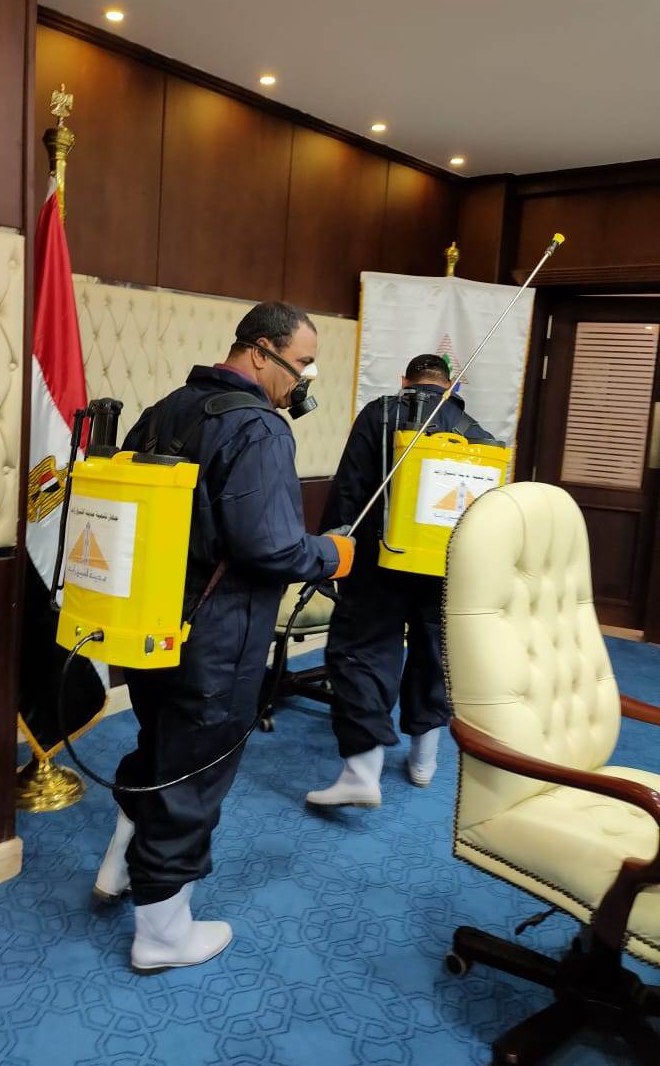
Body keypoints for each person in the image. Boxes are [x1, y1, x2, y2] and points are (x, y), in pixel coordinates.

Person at [94, 302, 355, 973]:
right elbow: (270, 547)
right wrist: (332, 554)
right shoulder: (259, 429)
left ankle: (120, 864)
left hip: (151, 627)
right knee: (194, 775)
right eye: (301, 365)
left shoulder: (167, 409)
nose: (304, 381)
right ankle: (161, 934)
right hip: (218, 638)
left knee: (160, 746)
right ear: (261, 351)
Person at [306, 353, 494, 807]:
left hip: (377, 563)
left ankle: (361, 773)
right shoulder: (477, 434)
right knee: (434, 655)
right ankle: (423, 762)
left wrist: (330, 556)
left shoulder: (380, 414)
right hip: (443, 570)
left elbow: (349, 487)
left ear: (404, 380)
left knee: (363, 653)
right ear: (452, 386)